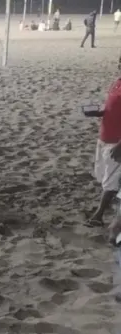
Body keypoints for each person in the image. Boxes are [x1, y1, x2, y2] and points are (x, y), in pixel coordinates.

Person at [84, 56, 121, 227]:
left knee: (110, 179)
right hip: (104, 136)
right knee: (102, 174)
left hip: (116, 141)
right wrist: (99, 112)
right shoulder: (117, 83)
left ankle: (98, 216)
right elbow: (111, 107)